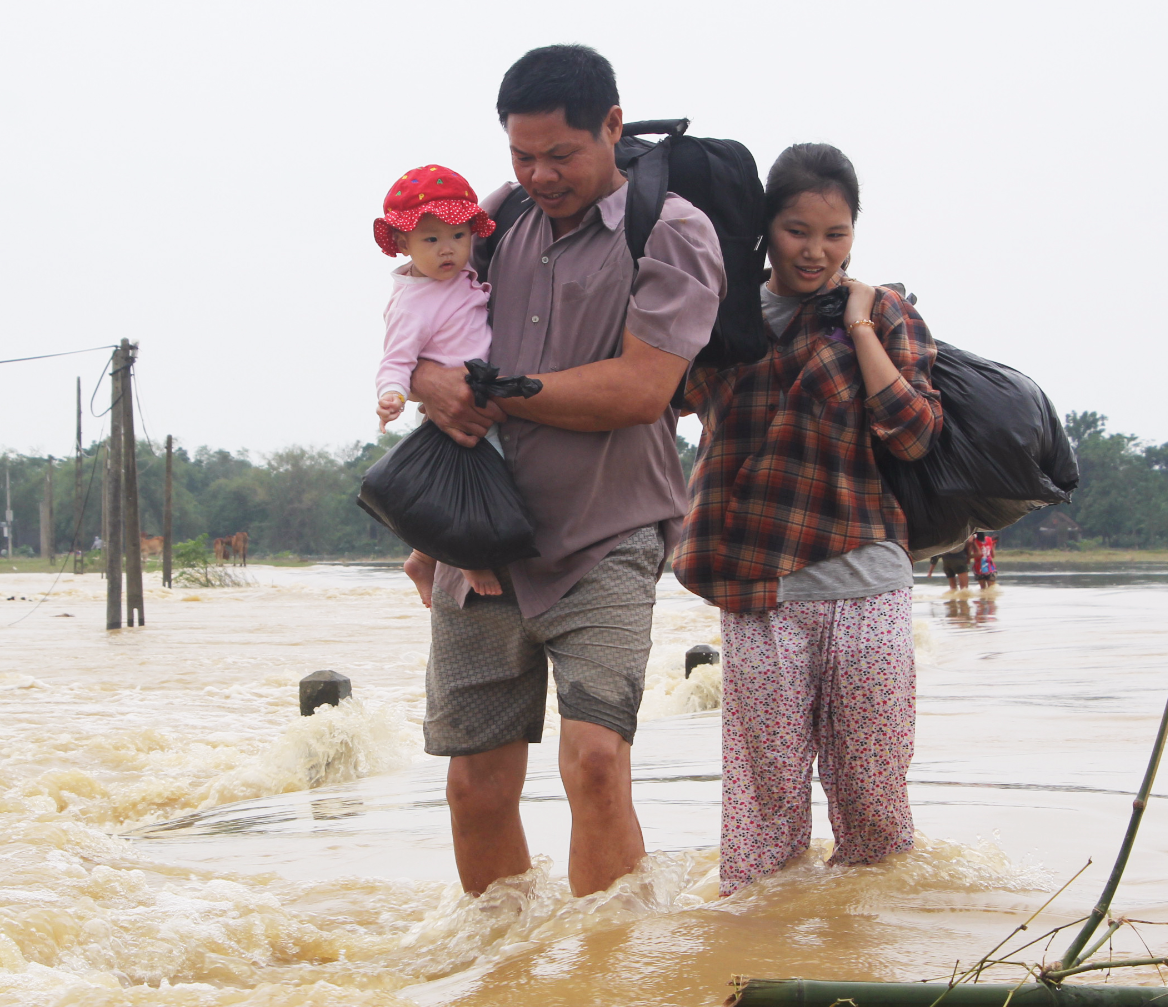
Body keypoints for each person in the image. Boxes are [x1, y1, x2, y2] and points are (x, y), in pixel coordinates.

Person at [404, 44, 725, 897]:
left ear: (613, 129)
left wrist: (495, 394)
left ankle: (605, 986)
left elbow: (640, 385)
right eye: (521, 155)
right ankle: (505, 988)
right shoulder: (496, 219)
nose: (539, 174)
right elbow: (424, 328)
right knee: (474, 787)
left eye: (561, 154)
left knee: (592, 764)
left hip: (607, 533)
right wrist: (427, 381)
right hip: (482, 536)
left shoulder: (675, 232)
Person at [671, 142, 942, 896]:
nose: (816, 251)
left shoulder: (885, 312)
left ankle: (869, 965)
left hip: (868, 582)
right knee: (763, 812)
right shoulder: (723, 313)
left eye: (836, 234)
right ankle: (766, 960)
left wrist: (857, 328)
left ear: (855, 232)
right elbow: (667, 396)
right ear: (767, 228)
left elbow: (916, 431)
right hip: (759, 587)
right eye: (797, 231)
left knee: (873, 801)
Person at [370, 164, 505, 601]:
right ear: (403, 243)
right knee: (477, 480)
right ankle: (465, 555)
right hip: (453, 403)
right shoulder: (413, 301)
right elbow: (396, 359)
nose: (447, 250)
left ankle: (421, 558)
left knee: (468, 477)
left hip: (477, 392)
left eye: (458, 237)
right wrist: (391, 394)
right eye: (431, 240)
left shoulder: (454, 280)